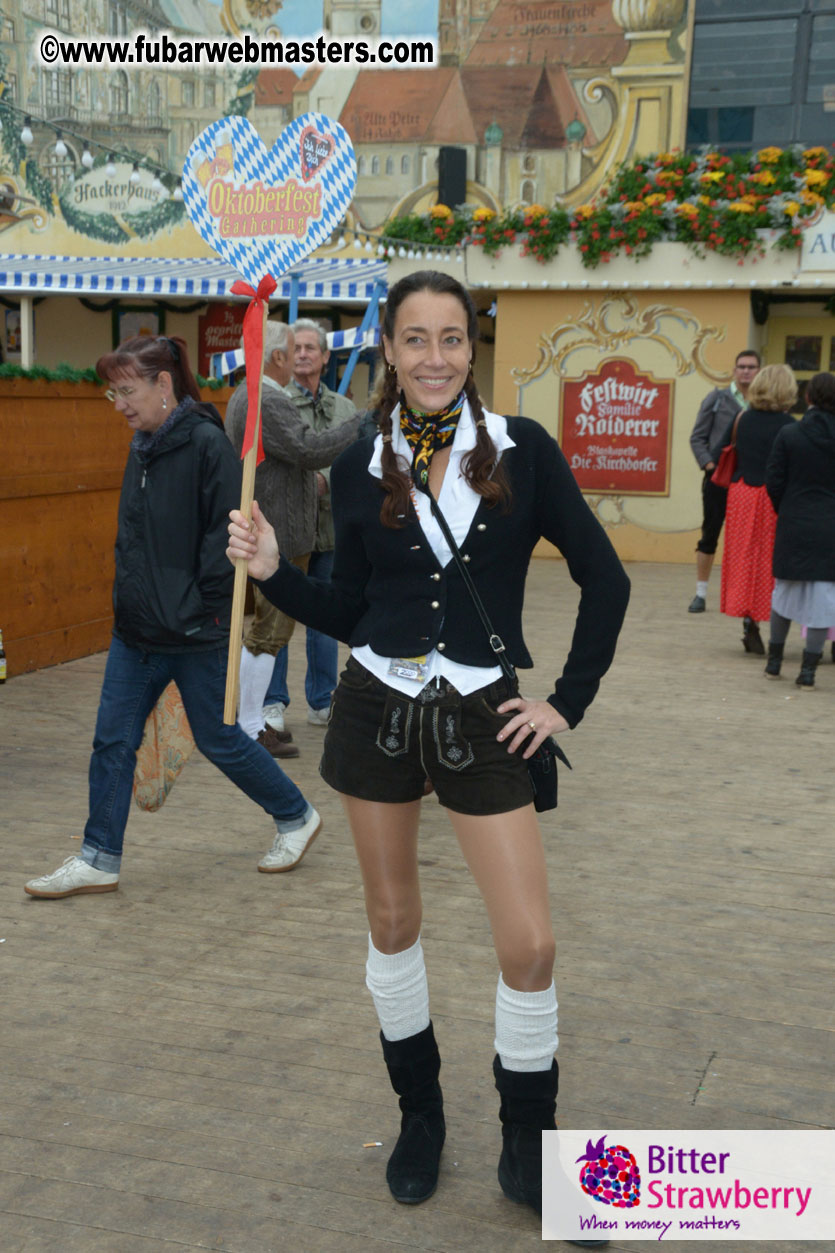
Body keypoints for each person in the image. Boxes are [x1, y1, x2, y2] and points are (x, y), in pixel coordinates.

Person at [227, 270, 630, 1223]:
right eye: (415, 339)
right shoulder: (362, 454)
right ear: (390, 352)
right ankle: (421, 1117)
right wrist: (276, 570)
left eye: (452, 338)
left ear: (470, 348)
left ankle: (529, 1140)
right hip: (375, 706)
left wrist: (563, 704)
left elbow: (604, 579)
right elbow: (352, 606)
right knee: (393, 922)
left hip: (485, 714)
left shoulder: (520, 449)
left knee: (529, 943)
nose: (435, 357)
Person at [24, 335, 321, 899]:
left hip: (191, 631)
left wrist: (193, 608)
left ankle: (296, 815)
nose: (120, 404)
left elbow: (227, 541)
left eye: (128, 390)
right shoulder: (143, 443)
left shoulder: (207, 445)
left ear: (164, 384)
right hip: (135, 631)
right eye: (113, 393)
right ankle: (99, 856)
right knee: (112, 740)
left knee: (220, 738)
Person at [225, 321, 359, 754]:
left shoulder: (249, 394)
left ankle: (251, 723)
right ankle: (249, 726)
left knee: (272, 630)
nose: (298, 357)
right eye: (291, 350)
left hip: (274, 527)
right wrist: (362, 425)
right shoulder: (266, 398)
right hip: (277, 531)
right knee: (270, 632)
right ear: (279, 357)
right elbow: (309, 450)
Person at [261, 317, 358, 733]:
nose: (302, 354)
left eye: (309, 348)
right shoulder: (277, 401)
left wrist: (327, 479)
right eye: (295, 348)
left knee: (326, 616)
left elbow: (356, 459)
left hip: (333, 529)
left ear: (324, 357)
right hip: (288, 530)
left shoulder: (345, 408)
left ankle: (323, 700)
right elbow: (298, 452)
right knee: (279, 613)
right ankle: (271, 702)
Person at [711, 364, 796, 655]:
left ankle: (749, 622)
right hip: (773, 497)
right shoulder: (790, 425)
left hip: (741, 495)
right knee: (771, 562)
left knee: (743, 559)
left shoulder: (741, 418)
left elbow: (717, 452)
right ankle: (772, 626)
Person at [765, 371, 835, 689]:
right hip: (830, 527)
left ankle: (774, 662)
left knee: (784, 593)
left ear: (807, 398)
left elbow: (774, 482)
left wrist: (788, 509)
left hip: (794, 521)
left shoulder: (789, 434)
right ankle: (808, 671)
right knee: (824, 600)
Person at [688, 349, 760, 613]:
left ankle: (741, 595)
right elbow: (697, 437)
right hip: (718, 479)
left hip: (750, 482)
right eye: (741, 366)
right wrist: (710, 465)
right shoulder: (718, 398)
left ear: (759, 371)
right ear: (734, 369)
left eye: (751, 367)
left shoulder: (763, 402)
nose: (746, 371)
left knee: (746, 541)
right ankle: (700, 593)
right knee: (710, 534)